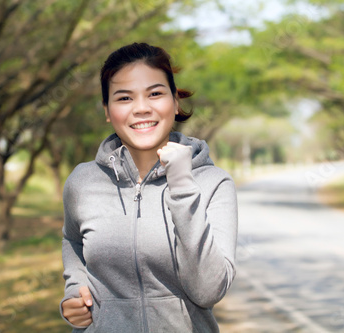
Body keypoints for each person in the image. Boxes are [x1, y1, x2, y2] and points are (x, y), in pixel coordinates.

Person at [59, 42, 238, 332]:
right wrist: (75, 289)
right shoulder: (83, 182)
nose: (141, 108)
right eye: (124, 98)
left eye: (155, 93)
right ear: (107, 110)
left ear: (175, 102)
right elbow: (72, 240)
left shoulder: (212, 183)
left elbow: (209, 291)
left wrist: (181, 186)